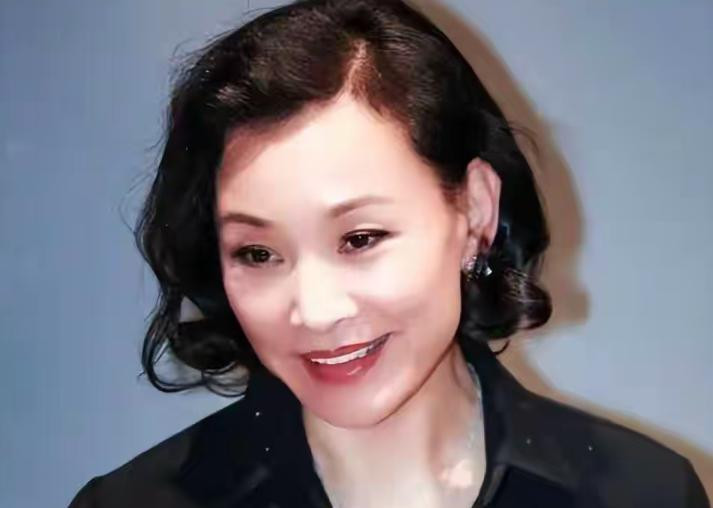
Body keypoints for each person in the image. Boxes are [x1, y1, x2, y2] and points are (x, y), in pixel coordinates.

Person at [69, 1, 708, 506]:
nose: (316, 311)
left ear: (475, 212)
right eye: (258, 254)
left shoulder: (641, 493)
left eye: (360, 239)